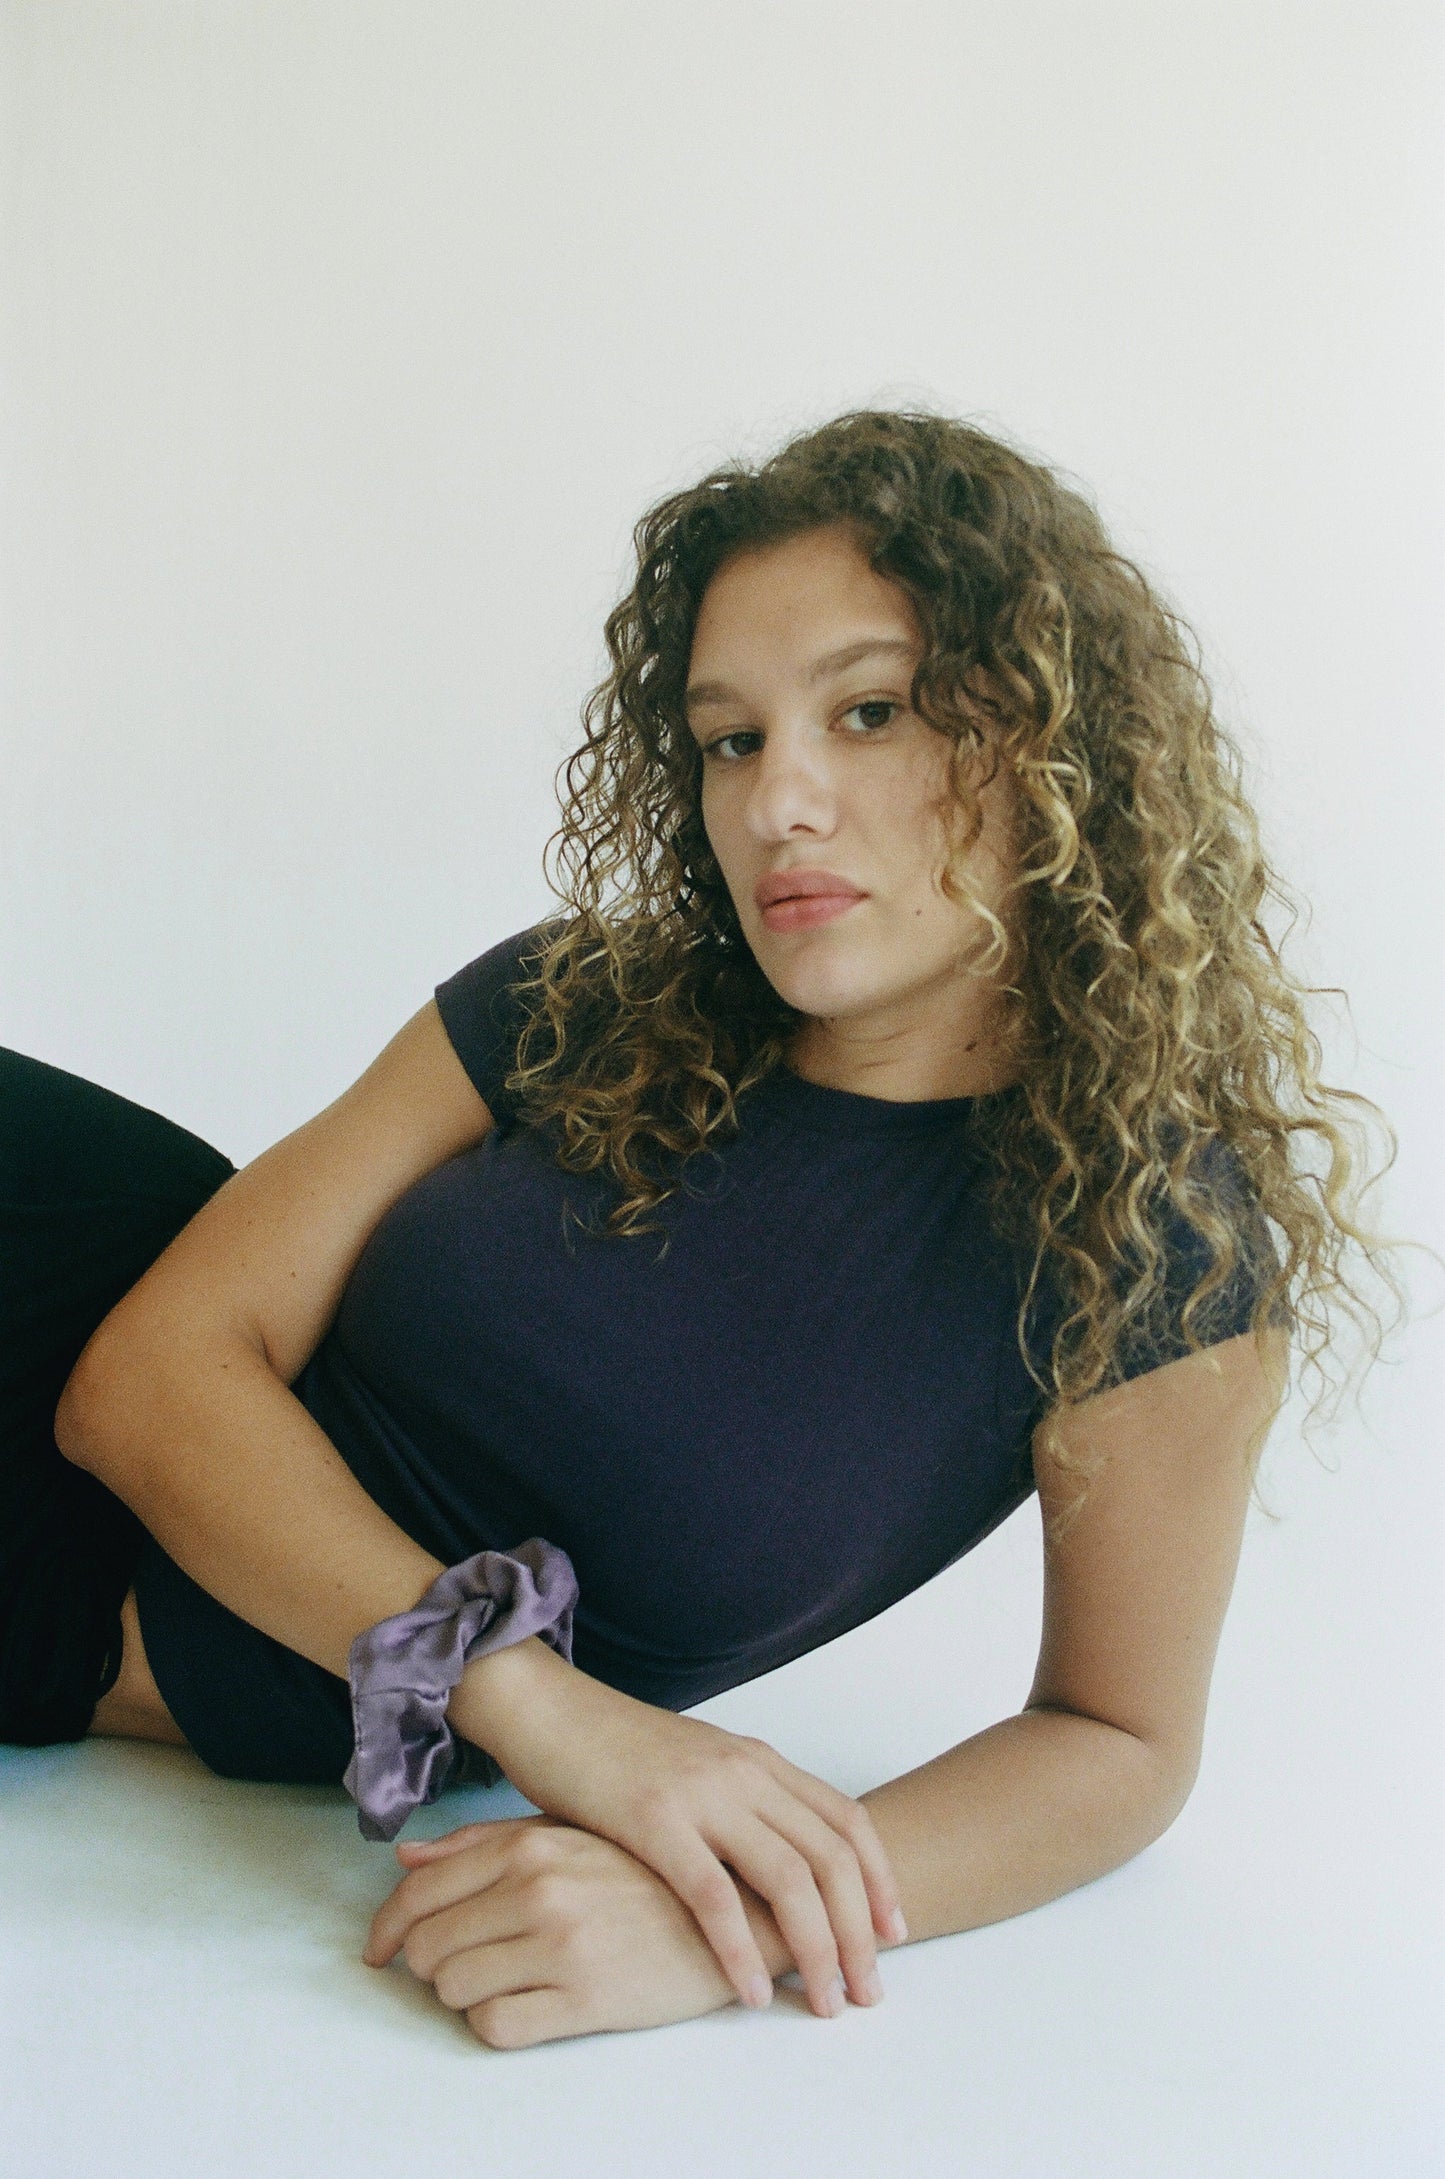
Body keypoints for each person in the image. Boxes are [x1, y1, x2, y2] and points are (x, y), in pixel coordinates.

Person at [1, 407, 1400, 2051]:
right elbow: (148, 1375)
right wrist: (546, 1715)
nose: (777, 804)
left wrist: (727, 1907)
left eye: (865, 712)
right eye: (729, 738)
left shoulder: (1145, 1250)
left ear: (1048, 740)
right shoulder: (584, 997)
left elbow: (1117, 1738)